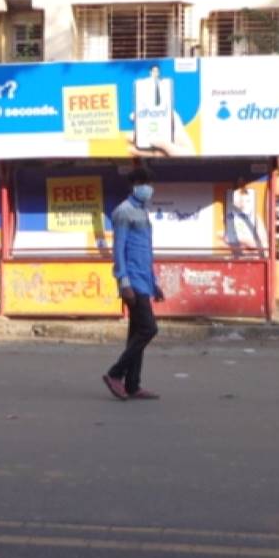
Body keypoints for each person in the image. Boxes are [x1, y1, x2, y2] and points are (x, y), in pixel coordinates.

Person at [102, 166, 165, 401]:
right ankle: (114, 374)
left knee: (137, 334)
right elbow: (118, 250)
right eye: (143, 183)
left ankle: (132, 385)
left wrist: (154, 283)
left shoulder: (143, 212)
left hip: (144, 280)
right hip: (132, 282)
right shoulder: (124, 212)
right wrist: (123, 281)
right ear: (134, 185)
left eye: (149, 183)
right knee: (149, 329)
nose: (148, 188)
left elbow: (145, 251)